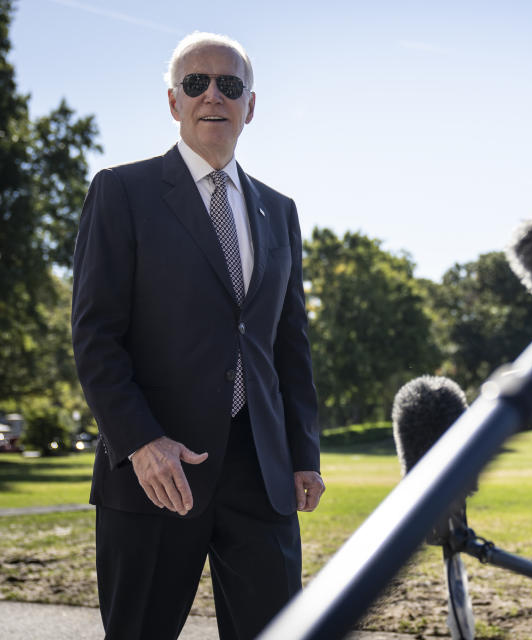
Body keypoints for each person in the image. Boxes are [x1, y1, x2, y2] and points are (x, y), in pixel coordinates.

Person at [71, 32, 324, 640]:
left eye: (229, 85)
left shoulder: (280, 210)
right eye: (196, 83)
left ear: (251, 105)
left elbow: (289, 344)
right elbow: (95, 336)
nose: (214, 94)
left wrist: (302, 453)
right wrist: (140, 443)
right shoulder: (121, 191)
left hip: (261, 476)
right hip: (158, 470)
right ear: (173, 101)